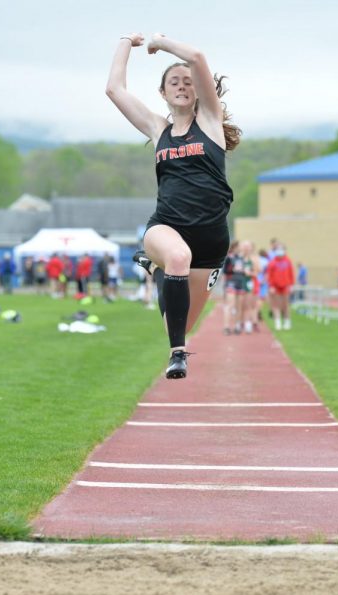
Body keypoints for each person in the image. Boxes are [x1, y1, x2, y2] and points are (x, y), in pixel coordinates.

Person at [108, 32, 240, 378]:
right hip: (167, 226)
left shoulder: (209, 123)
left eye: (187, 81)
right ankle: (178, 355)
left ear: (198, 89)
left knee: (176, 319)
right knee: (178, 260)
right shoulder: (157, 130)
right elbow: (114, 90)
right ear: (162, 93)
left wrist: (161, 42)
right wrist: (126, 43)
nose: (181, 86)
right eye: (173, 82)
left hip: (210, 241)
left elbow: (196, 56)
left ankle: (155, 271)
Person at [266, 244, 295, 330]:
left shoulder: (288, 261)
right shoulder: (273, 262)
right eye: (278, 249)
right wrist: (271, 286)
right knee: (276, 305)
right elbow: (270, 275)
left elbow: (291, 274)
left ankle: (287, 321)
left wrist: (291, 285)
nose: (280, 251)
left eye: (281, 249)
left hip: (285, 286)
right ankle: (278, 322)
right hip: (275, 286)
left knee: (285, 305)